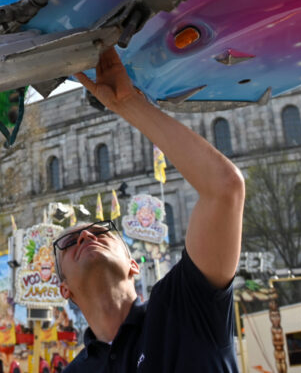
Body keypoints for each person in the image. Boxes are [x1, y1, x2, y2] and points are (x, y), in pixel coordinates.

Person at [56, 46, 244, 372]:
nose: (86, 235)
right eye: (70, 242)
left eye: (101, 231)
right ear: (64, 289)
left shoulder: (183, 307)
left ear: (133, 265)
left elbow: (224, 188)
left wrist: (128, 104)